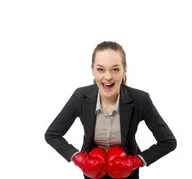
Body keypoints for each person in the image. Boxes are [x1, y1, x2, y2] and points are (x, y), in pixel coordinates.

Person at [45, 41, 177, 179]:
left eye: (115, 69)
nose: (107, 77)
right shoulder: (80, 97)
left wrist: (136, 161)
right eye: (101, 69)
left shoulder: (140, 99)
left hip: (128, 175)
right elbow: (52, 135)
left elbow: (168, 142)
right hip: (92, 174)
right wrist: (78, 158)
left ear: (124, 70)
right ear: (93, 70)